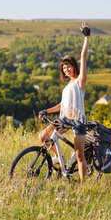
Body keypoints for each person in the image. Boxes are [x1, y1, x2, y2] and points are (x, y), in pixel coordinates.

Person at [38, 21, 91, 182]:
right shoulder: (67, 86)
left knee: (80, 155)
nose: (67, 70)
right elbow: (62, 106)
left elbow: (83, 56)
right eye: (64, 68)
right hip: (64, 119)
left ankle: (83, 185)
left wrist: (86, 37)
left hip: (78, 122)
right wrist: (47, 111)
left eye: (69, 66)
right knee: (43, 137)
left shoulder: (79, 81)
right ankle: (57, 157)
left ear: (74, 67)